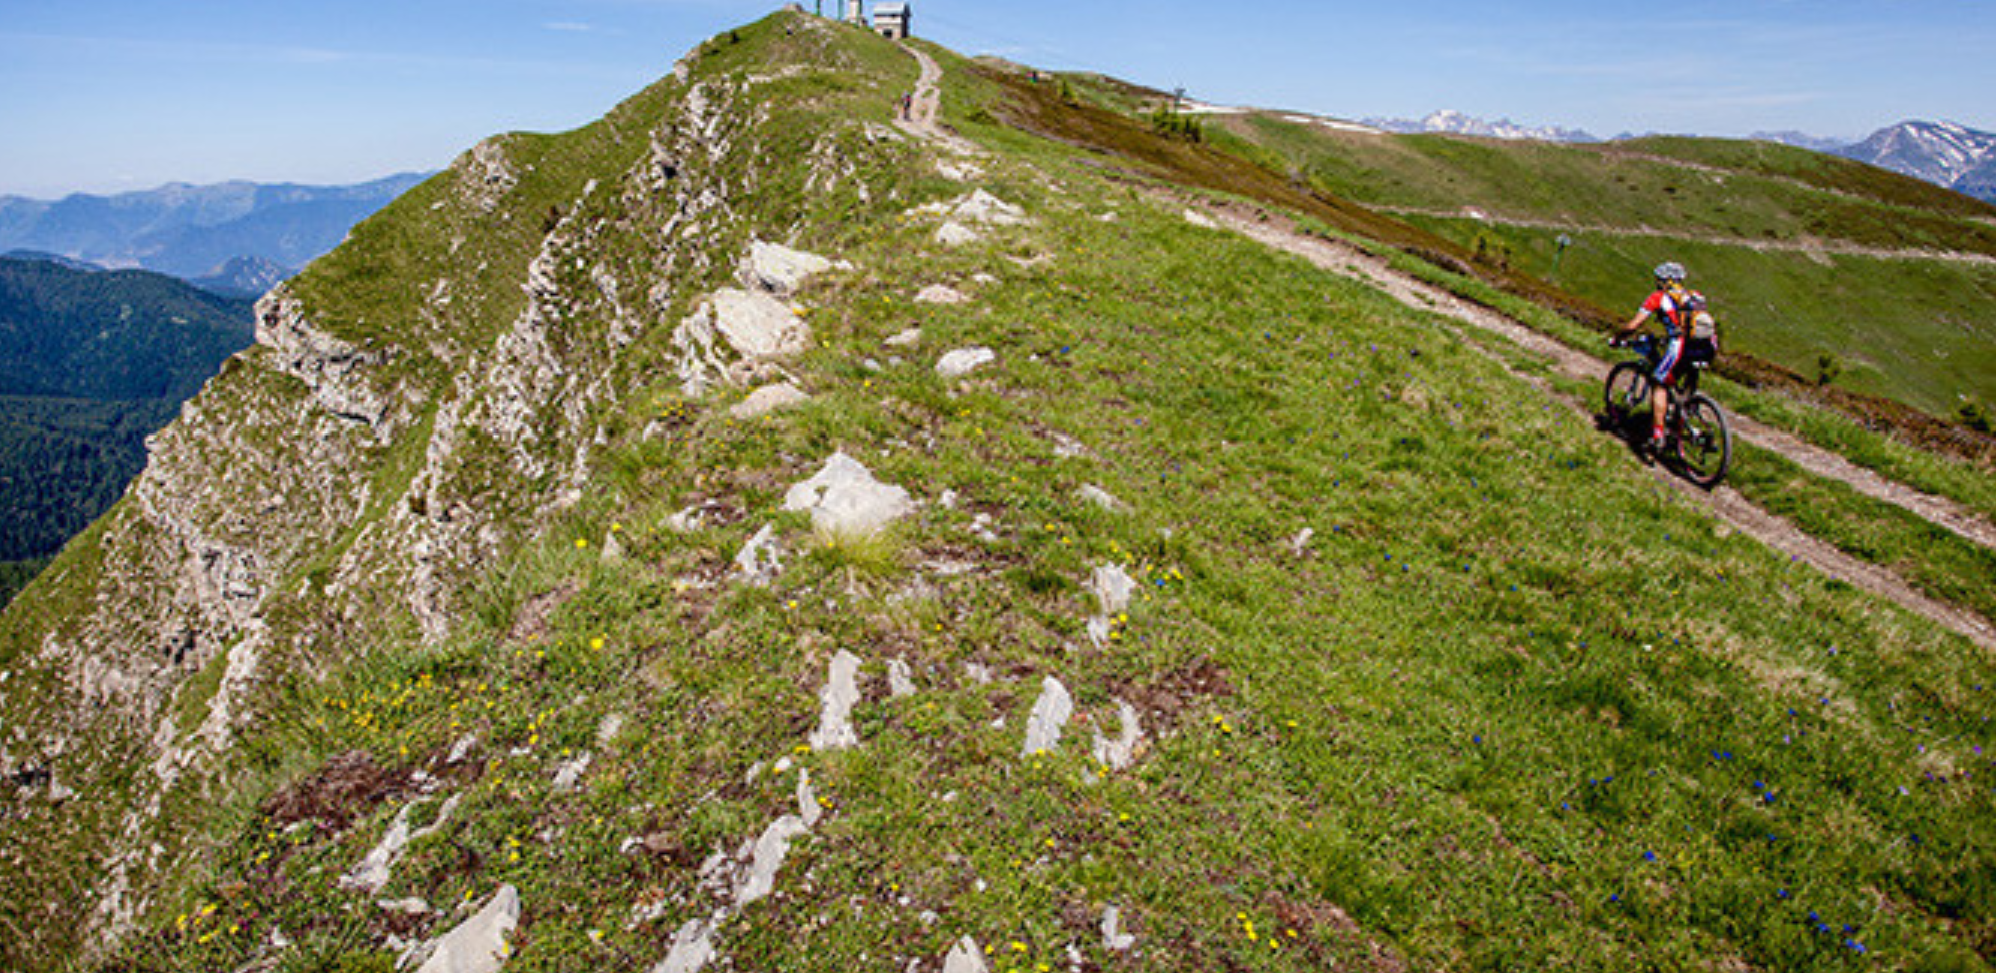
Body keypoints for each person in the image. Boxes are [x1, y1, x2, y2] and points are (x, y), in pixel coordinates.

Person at [1615, 261, 1694, 453]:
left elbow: (1634, 325)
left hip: (1679, 344)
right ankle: (1685, 418)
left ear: (1662, 281)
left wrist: (1618, 337)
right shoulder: (1692, 296)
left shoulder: (1658, 297)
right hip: (1703, 346)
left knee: (1659, 384)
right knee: (1683, 386)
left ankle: (1658, 436)